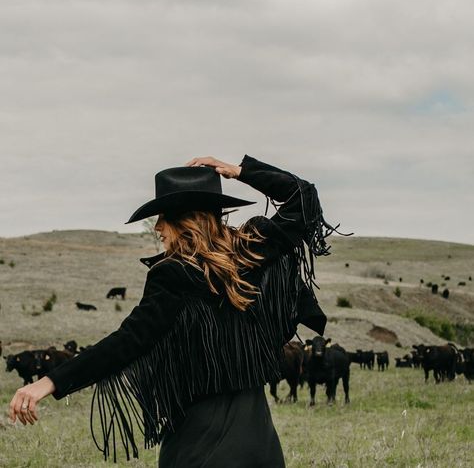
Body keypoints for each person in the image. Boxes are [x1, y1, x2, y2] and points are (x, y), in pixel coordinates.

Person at [9, 155, 341, 467]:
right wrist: (241, 171)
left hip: (201, 437)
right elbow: (304, 197)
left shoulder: (173, 274)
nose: (157, 229)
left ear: (183, 220)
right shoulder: (252, 251)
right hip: (258, 435)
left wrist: (47, 383)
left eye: (162, 219)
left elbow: (128, 341)